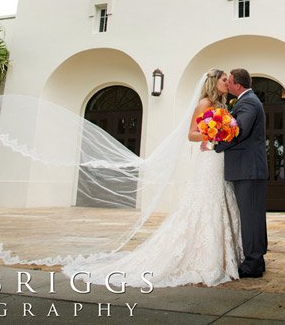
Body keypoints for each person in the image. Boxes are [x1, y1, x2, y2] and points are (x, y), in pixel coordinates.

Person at [61, 69, 243, 288]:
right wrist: (213, 134)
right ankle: (205, 258)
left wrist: (225, 131)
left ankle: (224, 256)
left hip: (220, 158)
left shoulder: (223, 106)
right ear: (214, 82)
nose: (228, 83)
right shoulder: (204, 104)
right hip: (208, 160)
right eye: (224, 80)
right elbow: (191, 134)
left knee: (222, 197)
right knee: (206, 201)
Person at [212, 68, 268, 278]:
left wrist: (215, 146)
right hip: (247, 169)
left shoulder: (248, 102)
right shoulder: (246, 101)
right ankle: (257, 260)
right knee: (253, 217)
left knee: (251, 217)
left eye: (229, 81)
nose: (227, 84)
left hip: (248, 169)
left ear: (237, 84)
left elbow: (239, 132)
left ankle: (252, 264)